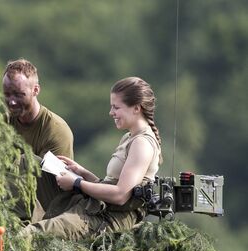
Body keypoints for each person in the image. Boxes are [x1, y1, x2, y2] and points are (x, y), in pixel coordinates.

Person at [25, 76, 162, 240]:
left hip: (109, 218)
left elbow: (120, 195)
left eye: (116, 107)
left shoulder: (142, 144)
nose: (111, 113)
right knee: (29, 163)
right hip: (99, 206)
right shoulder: (129, 137)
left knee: (33, 234)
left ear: (136, 108)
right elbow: (111, 184)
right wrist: (82, 172)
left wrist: (77, 183)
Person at [2, 59, 74, 219]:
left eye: (19, 95)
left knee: (25, 162)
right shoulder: (1, 122)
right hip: (5, 196)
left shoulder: (56, 130)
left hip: (46, 208)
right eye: (7, 94)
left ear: (35, 90)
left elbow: (57, 189)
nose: (12, 101)